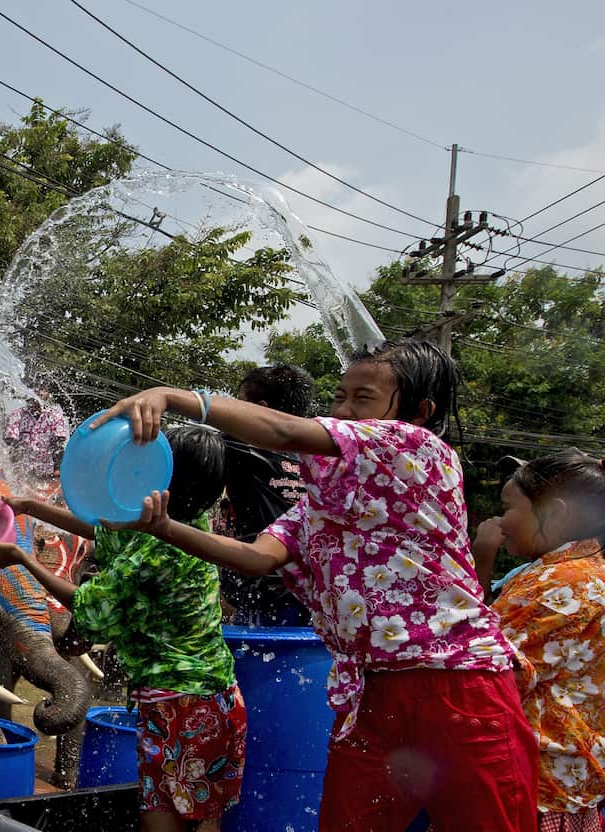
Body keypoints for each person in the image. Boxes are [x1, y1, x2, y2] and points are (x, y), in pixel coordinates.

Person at [90, 338, 538, 832]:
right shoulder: (320, 507)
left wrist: (176, 397)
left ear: (420, 410)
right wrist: (166, 528)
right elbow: (257, 559)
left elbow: (282, 430)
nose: (343, 409)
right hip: (370, 692)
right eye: (339, 396)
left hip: (457, 686)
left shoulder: (419, 447)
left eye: (362, 398)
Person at [0, 425, 245, 832]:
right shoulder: (189, 521)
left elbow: (89, 606)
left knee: (162, 817)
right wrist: (28, 508)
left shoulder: (157, 549)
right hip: (215, 697)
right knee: (202, 818)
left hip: (176, 704)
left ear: (164, 476)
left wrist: (22, 559)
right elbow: (103, 531)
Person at [482, 451, 605, 831]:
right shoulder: (584, 570)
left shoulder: (558, 583)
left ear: (556, 513)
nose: (501, 520)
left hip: (531, 786)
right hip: (564, 780)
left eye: (508, 507)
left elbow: (484, 674)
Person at [216, 365, 313, 626]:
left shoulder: (238, 445)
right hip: (313, 587)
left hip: (260, 585)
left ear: (259, 410)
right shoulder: (316, 454)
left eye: (240, 406)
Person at [3, 392, 70, 483]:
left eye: (43, 390)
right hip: (22, 474)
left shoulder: (55, 417)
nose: (40, 393)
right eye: (35, 389)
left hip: (48, 475)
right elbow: (11, 443)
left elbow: (58, 444)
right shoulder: (16, 416)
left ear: (47, 394)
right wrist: (17, 468)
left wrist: (57, 469)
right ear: (28, 392)